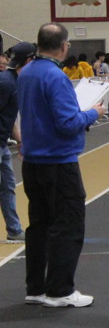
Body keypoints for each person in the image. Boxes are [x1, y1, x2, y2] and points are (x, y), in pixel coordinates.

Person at [18, 23, 106, 307]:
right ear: (64, 46)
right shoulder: (56, 77)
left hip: (33, 161)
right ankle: (60, 290)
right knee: (68, 224)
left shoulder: (27, 72)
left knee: (39, 225)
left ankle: (36, 287)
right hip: (58, 161)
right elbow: (67, 123)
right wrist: (93, 113)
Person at [0, 42, 35, 243]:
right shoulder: (6, 83)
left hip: (3, 144)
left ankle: (13, 229)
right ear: (29, 61)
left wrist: (20, 140)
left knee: (8, 186)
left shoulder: (14, 81)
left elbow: (9, 115)